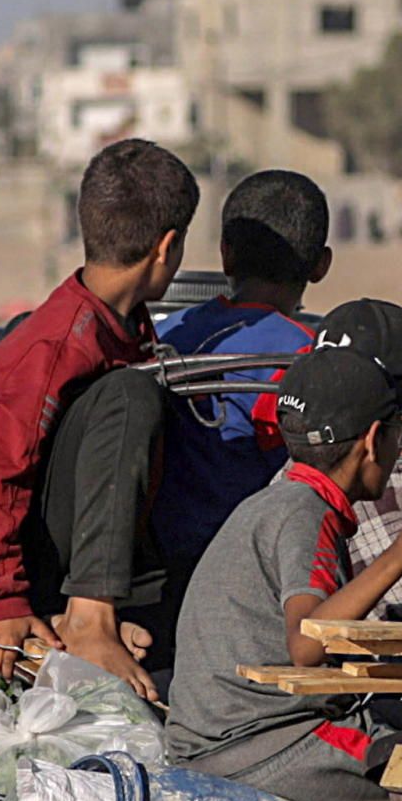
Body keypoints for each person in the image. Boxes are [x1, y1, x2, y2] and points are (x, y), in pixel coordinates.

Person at [158, 300, 402, 801]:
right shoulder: (305, 513)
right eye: (396, 436)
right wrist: (401, 554)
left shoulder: (274, 501)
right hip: (271, 752)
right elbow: (307, 643)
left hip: (229, 747)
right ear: (372, 442)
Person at [0, 138, 201, 698]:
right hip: (31, 561)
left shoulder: (125, 323)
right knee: (131, 398)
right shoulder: (57, 343)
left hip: (84, 545)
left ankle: (100, 615)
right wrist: (2, 603)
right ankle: (89, 620)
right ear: (167, 247)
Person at [145, 170, 333, 581]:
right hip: (240, 569)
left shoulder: (167, 333)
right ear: (321, 266)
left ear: (225, 254)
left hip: (152, 562)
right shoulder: (305, 357)